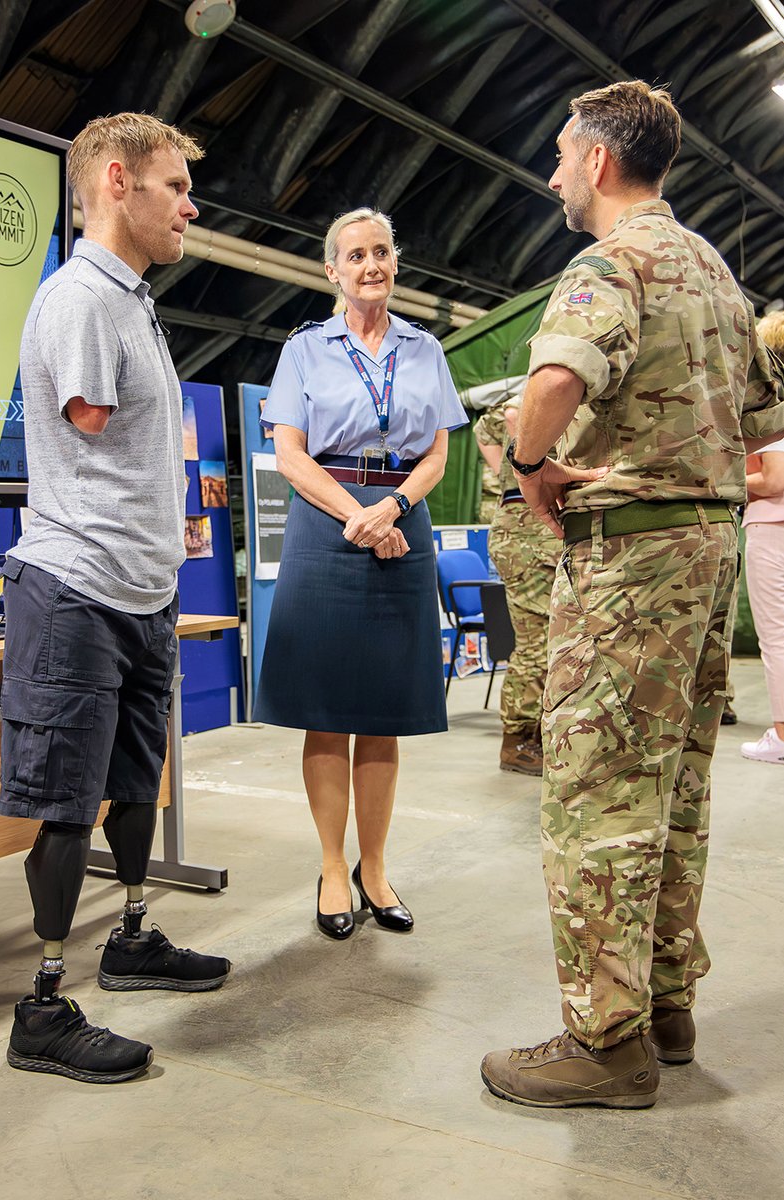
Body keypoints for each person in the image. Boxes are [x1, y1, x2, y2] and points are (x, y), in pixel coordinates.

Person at [479, 80, 784, 1109]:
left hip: (630, 564)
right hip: (706, 553)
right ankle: (664, 1000)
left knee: (597, 792)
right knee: (675, 789)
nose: (556, 172)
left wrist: (531, 466)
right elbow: (757, 421)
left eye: (564, 154)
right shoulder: (712, 267)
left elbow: (558, 375)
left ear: (601, 162)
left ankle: (604, 1043)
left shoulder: (609, 261)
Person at [0, 112, 231, 1085]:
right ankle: (43, 1008)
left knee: (138, 782)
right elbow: (89, 420)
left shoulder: (132, 300)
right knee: (66, 803)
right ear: (115, 182)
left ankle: (130, 936)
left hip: (139, 595)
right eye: (174, 186)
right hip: (78, 590)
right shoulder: (85, 298)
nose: (189, 203)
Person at [254, 207, 467, 939]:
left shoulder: (424, 348)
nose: (370, 265)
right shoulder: (304, 349)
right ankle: (331, 867)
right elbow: (289, 453)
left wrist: (395, 507)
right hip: (326, 520)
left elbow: (437, 453)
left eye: (381, 252)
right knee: (325, 710)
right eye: (354, 256)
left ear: (394, 262)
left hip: (402, 516)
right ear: (332, 271)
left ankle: (374, 868)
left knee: (382, 714)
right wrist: (358, 515)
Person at [474, 396, 561, 774]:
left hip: (537, 527)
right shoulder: (532, 398)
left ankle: (540, 733)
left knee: (552, 640)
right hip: (528, 530)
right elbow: (505, 415)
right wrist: (510, 475)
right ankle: (519, 740)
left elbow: (483, 428)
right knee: (536, 641)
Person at [741, 312, 784, 765]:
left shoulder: (772, 400)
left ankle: (783, 736)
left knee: (777, 635)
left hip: (774, 524)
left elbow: (774, 480)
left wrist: (722, 474)